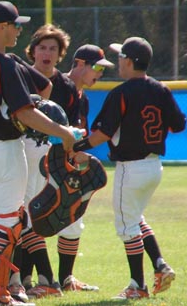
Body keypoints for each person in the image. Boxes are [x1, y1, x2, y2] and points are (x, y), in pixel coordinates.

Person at [0, 1, 75, 306]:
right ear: (1, 28)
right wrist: (63, 132)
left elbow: (41, 88)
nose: (19, 30)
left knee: (3, 221)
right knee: (8, 221)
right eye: (15, 25)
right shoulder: (5, 64)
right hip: (4, 148)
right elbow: (26, 113)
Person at [72, 36, 184, 300]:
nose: (119, 61)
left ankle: (137, 286)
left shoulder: (121, 93)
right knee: (135, 219)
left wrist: (77, 147)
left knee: (126, 227)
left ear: (131, 62)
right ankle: (160, 265)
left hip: (131, 168)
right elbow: (178, 125)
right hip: (154, 167)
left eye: (122, 57)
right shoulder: (161, 89)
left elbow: (101, 135)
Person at [18, 23, 78, 298]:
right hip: (24, 150)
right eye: (42, 47)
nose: (47, 52)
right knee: (25, 212)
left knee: (32, 212)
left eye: (53, 48)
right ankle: (27, 278)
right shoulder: (22, 76)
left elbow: (74, 127)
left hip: (52, 156)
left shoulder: (66, 86)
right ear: (33, 51)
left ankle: (49, 279)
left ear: (60, 54)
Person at [58, 44, 114, 292]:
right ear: (79, 63)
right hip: (47, 164)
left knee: (73, 222)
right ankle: (27, 280)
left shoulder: (84, 98)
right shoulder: (59, 87)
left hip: (69, 167)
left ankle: (65, 280)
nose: (100, 74)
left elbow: (80, 138)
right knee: (32, 220)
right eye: (97, 67)